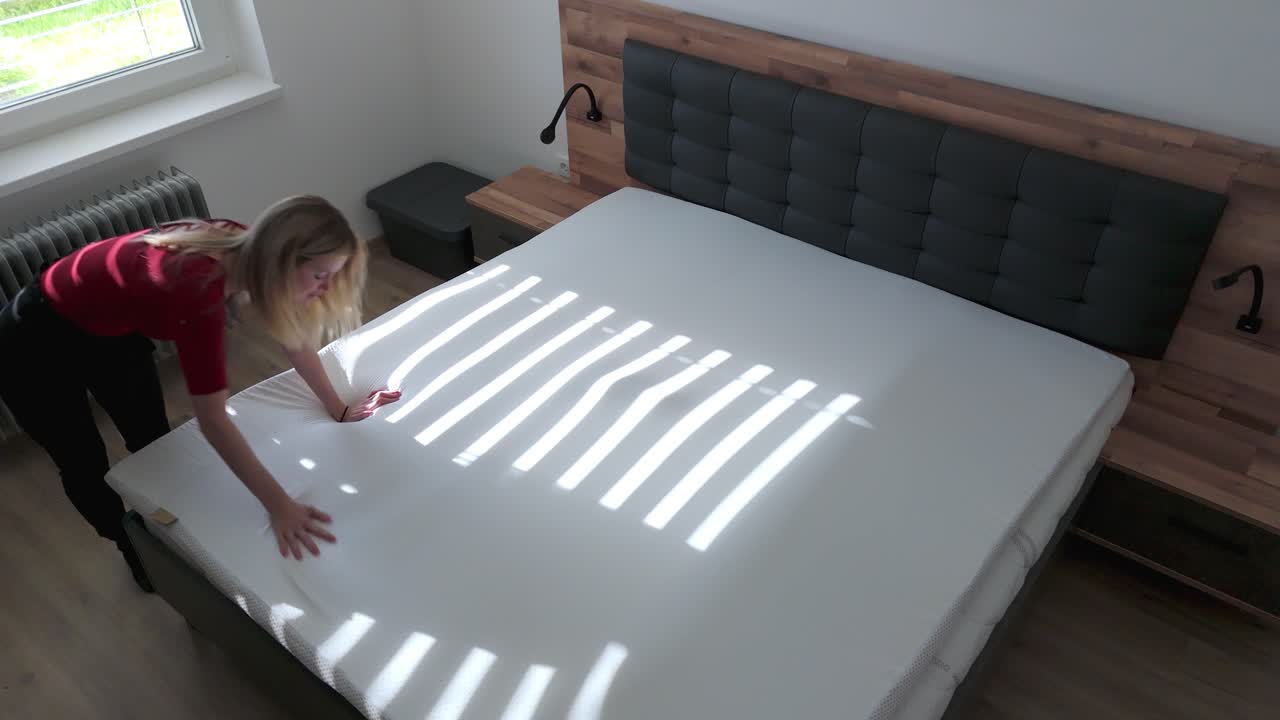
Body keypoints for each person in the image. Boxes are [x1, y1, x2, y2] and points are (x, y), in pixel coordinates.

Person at [0, 195, 401, 592]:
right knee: (82, 462)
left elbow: (293, 337)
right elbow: (213, 421)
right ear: (283, 257)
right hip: (32, 339)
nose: (326, 288)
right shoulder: (197, 291)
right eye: (319, 276)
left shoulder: (248, 245)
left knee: (152, 441)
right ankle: (129, 545)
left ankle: (163, 532)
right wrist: (280, 506)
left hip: (108, 326)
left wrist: (339, 408)